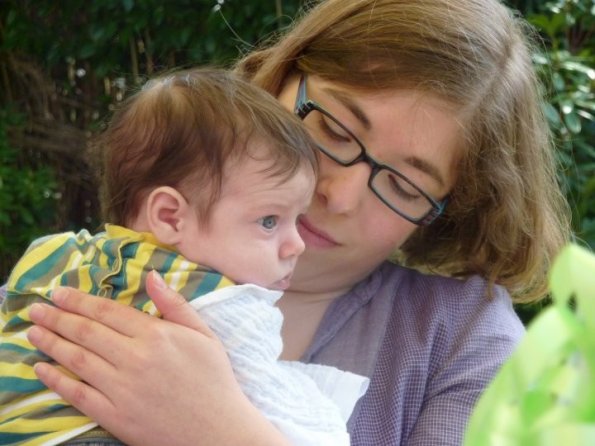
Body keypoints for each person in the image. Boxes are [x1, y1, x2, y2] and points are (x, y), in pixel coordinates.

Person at [2, 0, 572, 444]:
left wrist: (223, 433)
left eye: (405, 185)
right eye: (334, 128)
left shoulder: (467, 343)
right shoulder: (98, 266)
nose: (338, 195)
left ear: (442, 214)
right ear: (279, 77)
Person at [0, 68, 369, 445]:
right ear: (170, 216)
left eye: (297, 219)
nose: (297, 244)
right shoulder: (220, 301)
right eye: (269, 221)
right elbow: (279, 406)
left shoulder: (55, 255)